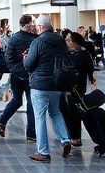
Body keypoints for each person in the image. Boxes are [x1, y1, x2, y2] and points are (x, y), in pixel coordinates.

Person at [22, 15, 73, 163]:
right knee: (56, 112)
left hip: (40, 85)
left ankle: (43, 152)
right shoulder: (61, 41)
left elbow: (29, 65)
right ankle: (65, 139)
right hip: (57, 84)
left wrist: (25, 58)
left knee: (40, 117)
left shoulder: (38, 42)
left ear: (40, 27)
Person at [0, 14, 37, 141]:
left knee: (17, 100)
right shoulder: (35, 39)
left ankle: (2, 120)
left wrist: (15, 70)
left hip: (17, 75)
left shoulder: (14, 38)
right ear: (29, 24)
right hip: (30, 75)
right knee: (31, 104)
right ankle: (31, 134)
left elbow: (8, 57)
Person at [62, 30, 96, 147]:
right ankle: (68, 135)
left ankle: (76, 137)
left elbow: (90, 70)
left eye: (69, 40)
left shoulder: (83, 55)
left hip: (77, 87)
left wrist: (92, 80)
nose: (67, 42)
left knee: (75, 112)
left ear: (76, 43)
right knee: (66, 111)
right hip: (65, 86)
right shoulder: (65, 53)